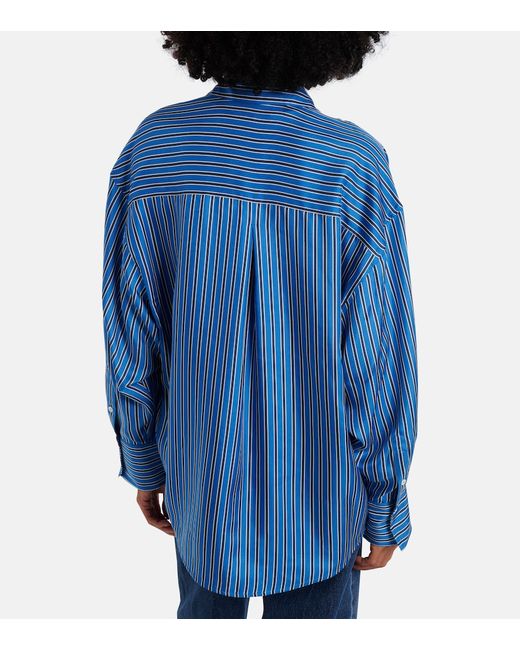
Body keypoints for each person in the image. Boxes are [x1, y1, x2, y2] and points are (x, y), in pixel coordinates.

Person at [102, 31, 418, 619]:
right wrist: (384, 502)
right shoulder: (352, 163)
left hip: (201, 486)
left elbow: (130, 329)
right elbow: (378, 356)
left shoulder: (157, 149)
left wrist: (143, 457)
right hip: (322, 504)